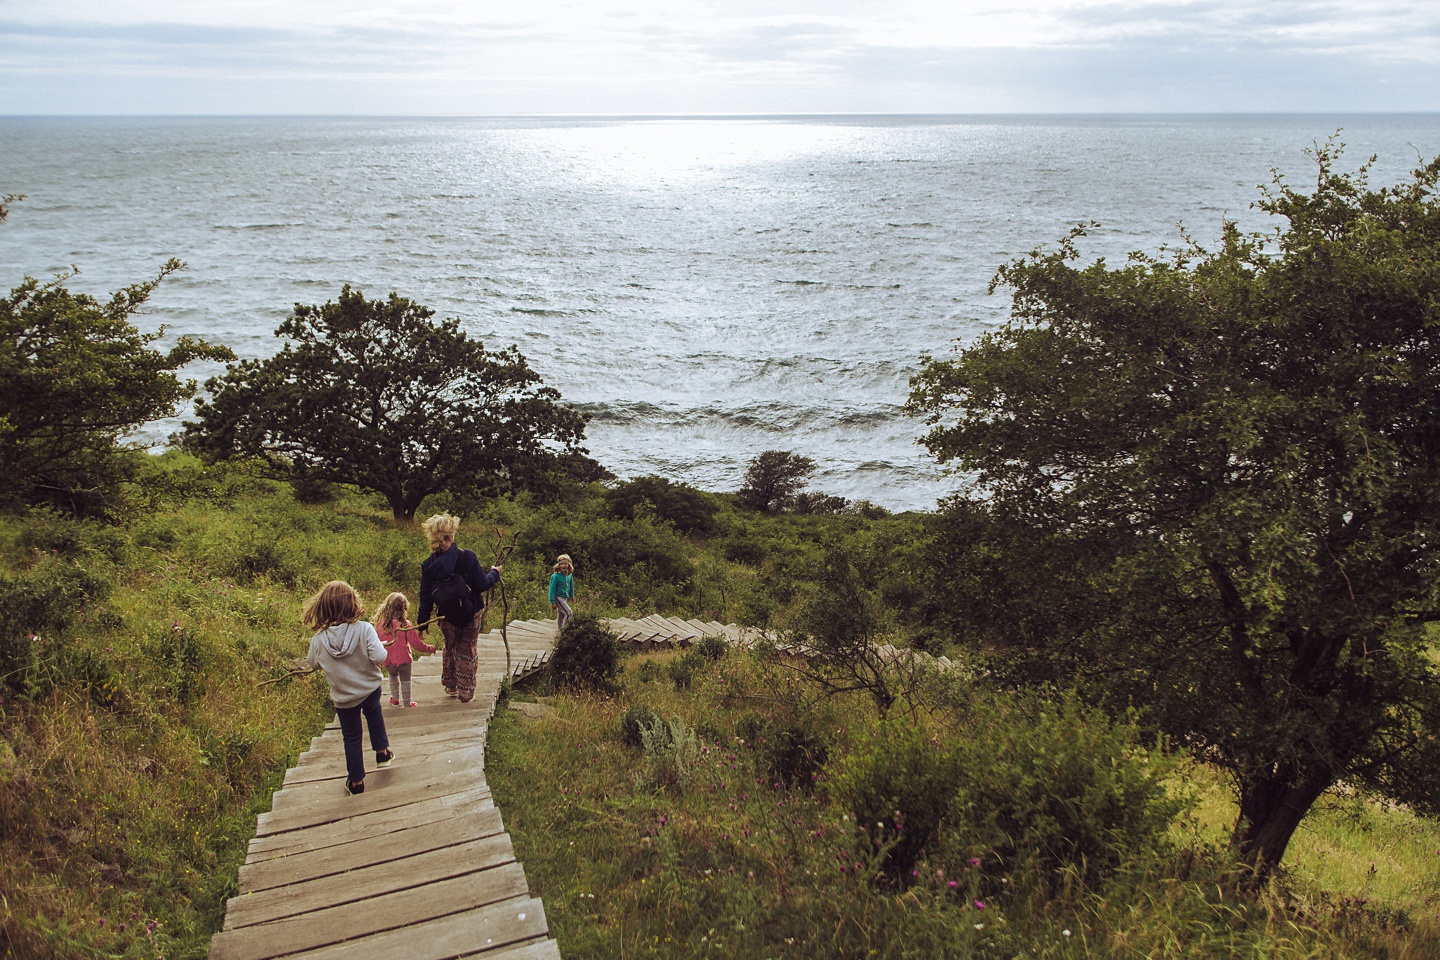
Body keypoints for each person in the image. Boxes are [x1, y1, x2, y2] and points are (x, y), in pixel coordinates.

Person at [303, 580, 393, 796]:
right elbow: (381, 656)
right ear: (353, 604)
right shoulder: (365, 629)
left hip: (344, 699)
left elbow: (312, 664)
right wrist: (378, 647)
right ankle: (382, 753)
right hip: (370, 690)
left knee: (351, 736)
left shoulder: (318, 641)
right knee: (374, 714)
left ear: (322, 608)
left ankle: (356, 782)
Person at [417, 513, 501, 703]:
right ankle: (466, 692)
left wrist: (422, 624)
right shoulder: (467, 556)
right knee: (467, 649)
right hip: (471, 614)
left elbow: (425, 597)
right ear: (450, 535)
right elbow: (481, 585)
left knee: (450, 647)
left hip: (446, 617)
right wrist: (495, 573)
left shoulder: (429, 565)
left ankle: (450, 684)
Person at [373, 591, 435, 707]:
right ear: (404, 609)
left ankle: (395, 699)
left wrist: (374, 660)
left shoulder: (379, 625)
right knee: (406, 680)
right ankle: (407, 703)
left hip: (388, 660)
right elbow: (416, 644)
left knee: (392, 677)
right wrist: (429, 648)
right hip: (404, 660)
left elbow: (375, 644)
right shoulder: (406, 625)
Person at [549, 553, 576, 633]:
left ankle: (560, 629)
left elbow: (571, 587)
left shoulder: (569, 575)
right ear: (559, 565)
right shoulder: (555, 576)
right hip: (558, 597)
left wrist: (572, 596)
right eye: (561, 564)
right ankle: (565, 631)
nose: (563, 566)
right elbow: (551, 589)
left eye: (565, 564)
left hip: (564, 597)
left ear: (568, 565)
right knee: (569, 613)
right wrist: (552, 602)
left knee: (561, 614)